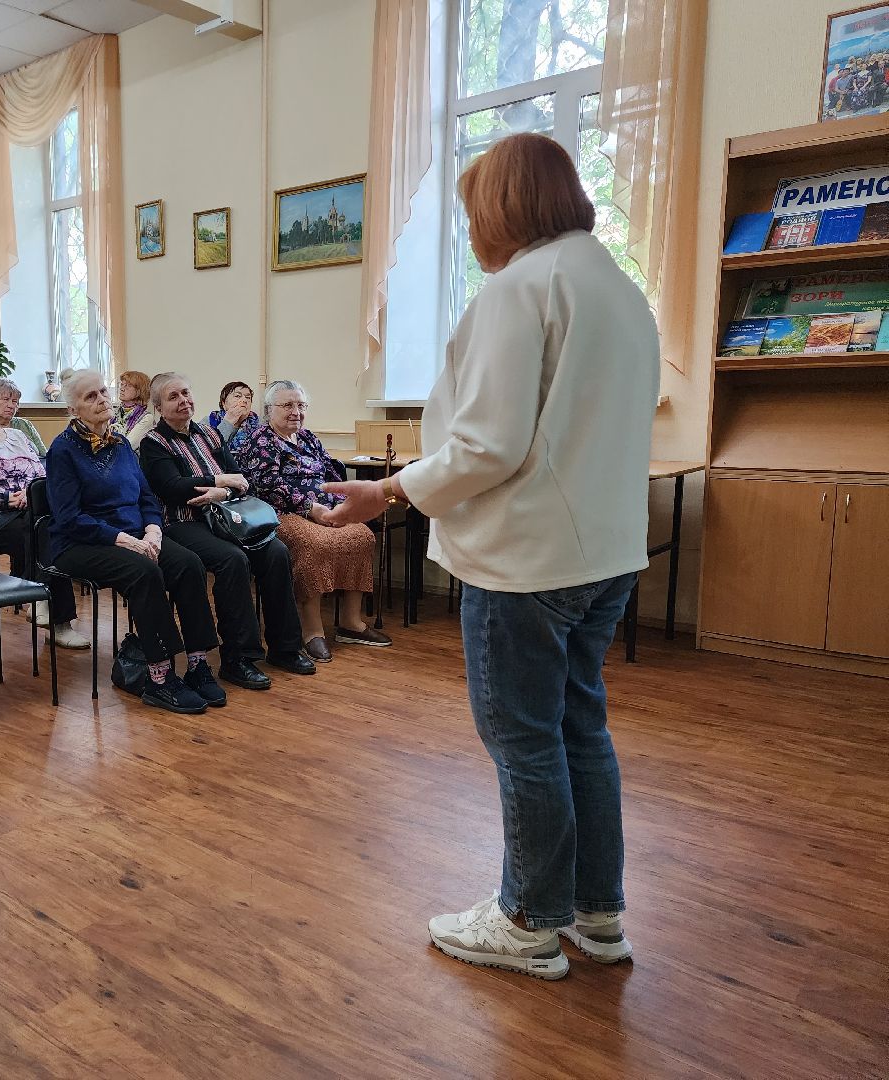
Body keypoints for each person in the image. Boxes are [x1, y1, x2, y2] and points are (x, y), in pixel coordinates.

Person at [324, 133, 660, 980]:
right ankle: (596, 911)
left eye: (474, 212)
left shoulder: (523, 287)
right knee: (580, 726)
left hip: (527, 561)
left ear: (504, 208)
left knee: (523, 739)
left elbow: (488, 446)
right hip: (605, 555)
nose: (472, 231)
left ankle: (527, 921)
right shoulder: (620, 291)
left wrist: (389, 490)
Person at [46, 370, 225, 714]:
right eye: (90, 396)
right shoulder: (63, 451)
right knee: (145, 573)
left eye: (103, 391)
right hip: (81, 543)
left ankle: (199, 663)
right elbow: (68, 518)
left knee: (188, 564)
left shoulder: (121, 443)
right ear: (73, 410)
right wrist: (123, 539)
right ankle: (159, 677)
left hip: (135, 535)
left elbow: (146, 497)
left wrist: (154, 530)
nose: (101, 399)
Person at [139, 373, 316, 688]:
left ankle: (285, 647)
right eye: (173, 397)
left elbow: (241, 479)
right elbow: (172, 488)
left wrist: (222, 491)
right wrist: (220, 482)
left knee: (276, 552)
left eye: (186, 393)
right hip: (182, 522)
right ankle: (238, 658)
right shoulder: (154, 443)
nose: (183, 401)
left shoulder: (210, 434)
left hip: (222, 515)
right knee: (232, 559)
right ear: (158, 406)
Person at [238, 380, 389, 662]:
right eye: (288, 405)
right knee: (315, 543)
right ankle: (312, 630)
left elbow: (330, 474)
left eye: (301, 405)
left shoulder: (308, 438)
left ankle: (350, 623)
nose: (296, 411)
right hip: (280, 514)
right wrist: (312, 509)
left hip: (323, 509)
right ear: (269, 410)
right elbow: (270, 485)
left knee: (362, 535)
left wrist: (338, 507)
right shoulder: (260, 441)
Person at [0, 375, 89, 649]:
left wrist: (30, 494)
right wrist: (7, 498)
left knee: (48, 526)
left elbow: (42, 474)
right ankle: (55, 617)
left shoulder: (18, 435)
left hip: (31, 512)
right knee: (46, 529)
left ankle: (39, 596)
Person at [0, 376, 47, 457]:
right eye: (5, 399)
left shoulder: (24, 424)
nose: (11, 405)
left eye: (14, 401)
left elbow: (45, 455)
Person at [205, 380, 261, 453]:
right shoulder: (208, 422)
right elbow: (204, 451)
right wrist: (228, 421)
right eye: (237, 396)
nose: (244, 400)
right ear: (224, 403)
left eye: (248, 397)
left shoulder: (260, 425)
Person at [114, 370, 154, 449]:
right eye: (122, 384)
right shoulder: (114, 413)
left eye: (128, 386)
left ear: (139, 390)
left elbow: (127, 446)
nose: (122, 388)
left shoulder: (146, 418)